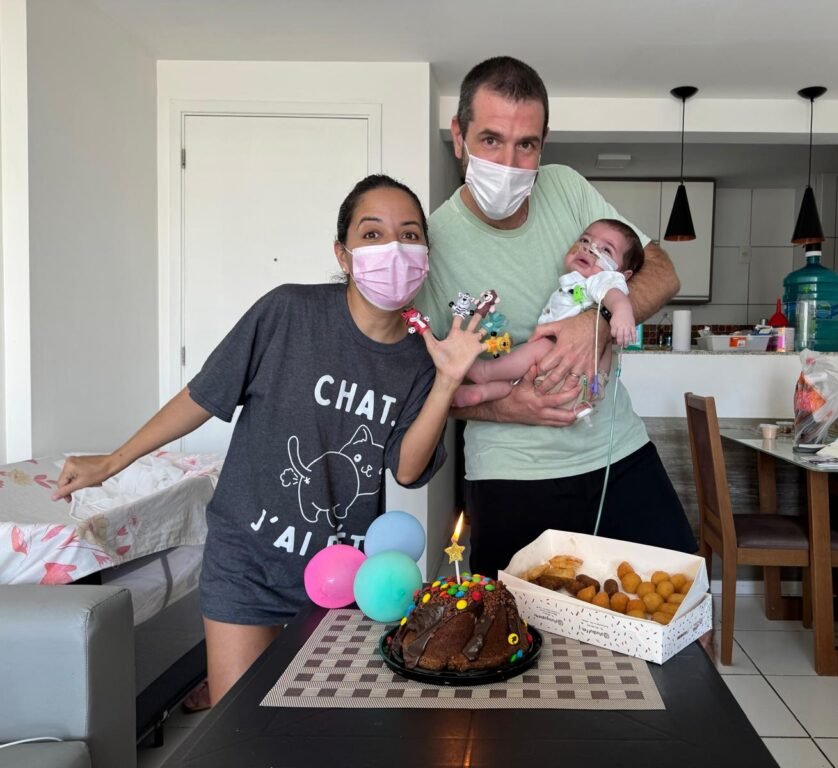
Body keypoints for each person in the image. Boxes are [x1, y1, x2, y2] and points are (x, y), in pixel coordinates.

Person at [52, 174, 488, 707]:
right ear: (343, 253)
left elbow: (407, 469)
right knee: (239, 727)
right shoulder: (288, 312)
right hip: (248, 560)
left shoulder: (424, 358)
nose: (393, 249)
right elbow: (203, 395)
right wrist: (112, 462)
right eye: (372, 234)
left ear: (425, 256)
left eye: (409, 234)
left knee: (317, 727)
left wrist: (446, 382)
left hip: (342, 572)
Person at [418, 56, 698, 577]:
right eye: (490, 140)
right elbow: (426, 391)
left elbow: (660, 270)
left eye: (526, 145)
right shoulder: (433, 245)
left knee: (682, 602)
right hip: (510, 475)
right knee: (517, 625)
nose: (508, 162)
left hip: (617, 453)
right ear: (458, 136)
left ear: (544, 143)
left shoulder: (566, 187)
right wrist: (510, 407)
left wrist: (596, 323)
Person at [453, 218, 643, 414]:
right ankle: (481, 393)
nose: (589, 249)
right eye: (585, 241)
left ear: (624, 274)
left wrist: (622, 312)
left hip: (581, 376)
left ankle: (485, 372)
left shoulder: (602, 279)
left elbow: (615, 295)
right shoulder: (576, 283)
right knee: (518, 381)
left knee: (538, 349)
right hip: (563, 380)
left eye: (606, 250)